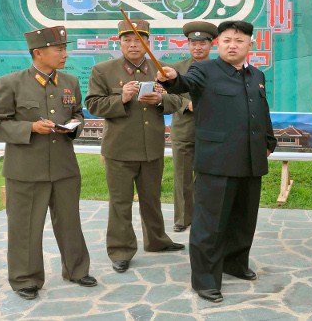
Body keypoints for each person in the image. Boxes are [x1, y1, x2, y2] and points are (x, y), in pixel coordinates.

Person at [156, 20, 277, 304]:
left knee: (244, 218)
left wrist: (268, 141)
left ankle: (235, 263)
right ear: (218, 44)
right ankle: (206, 280)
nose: (232, 45)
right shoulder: (204, 70)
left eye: (239, 40)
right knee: (210, 224)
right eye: (226, 40)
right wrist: (172, 78)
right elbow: (184, 83)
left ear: (250, 45)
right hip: (217, 160)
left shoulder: (256, 74)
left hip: (250, 158)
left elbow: (261, 109)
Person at [0, 26, 96, 300]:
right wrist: (30, 128)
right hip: (26, 170)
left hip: (64, 167)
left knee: (70, 222)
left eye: (65, 49)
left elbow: (78, 114)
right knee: (24, 227)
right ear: (38, 53)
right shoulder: (10, 83)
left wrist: (73, 125)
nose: (64, 54)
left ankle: (77, 270)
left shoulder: (70, 81)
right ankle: (25, 279)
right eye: (59, 49)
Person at [85, 19, 184, 275]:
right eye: (127, 40)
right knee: (120, 202)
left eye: (139, 40)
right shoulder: (103, 70)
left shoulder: (162, 70)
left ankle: (157, 240)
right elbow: (93, 105)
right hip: (119, 150)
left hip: (152, 147)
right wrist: (122, 98)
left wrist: (160, 100)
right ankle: (121, 251)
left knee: (152, 199)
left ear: (148, 43)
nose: (133, 45)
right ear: (119, 43)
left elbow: (179, 100)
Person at [169, 21, 218, 232]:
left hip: (212, 130)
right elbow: (165, 94)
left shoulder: (220, 68)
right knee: (182, 176)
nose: (197, 47)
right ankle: (182, 218)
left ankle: (204, 217)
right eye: (193, 43)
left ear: (211, 45)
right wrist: (185, 104)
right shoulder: (176, 69)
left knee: (208, 176)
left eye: (202, 43)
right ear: (188, 45)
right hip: (184, 130)